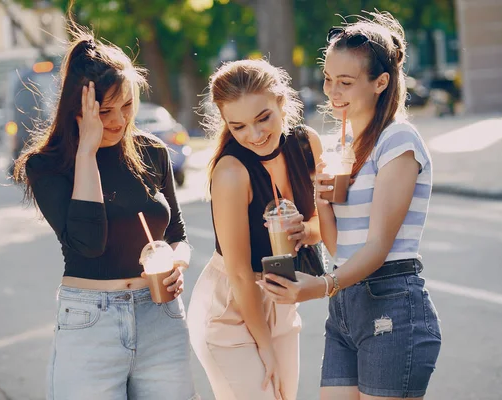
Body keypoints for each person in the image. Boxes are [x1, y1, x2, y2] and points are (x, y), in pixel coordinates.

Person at [258, 12, 442, 400]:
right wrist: (321, 199)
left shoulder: (399, 141)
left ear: (380, 83)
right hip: (346, 306)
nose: (332, 92)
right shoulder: (343, 150)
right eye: (328, 79)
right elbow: (338, 247)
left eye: (345, 82)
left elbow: (377, 246)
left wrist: (322, 286)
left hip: (391, 300)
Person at [13, 21, 197, 400]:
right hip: (89, 323)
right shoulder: (46, 166)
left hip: (161, 317)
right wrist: (87, 152)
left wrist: (176, 263)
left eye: (126, 105)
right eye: (104, 110)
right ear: (77, 109)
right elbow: (88, 242)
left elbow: (177, 235)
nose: (117, 121)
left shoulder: (153, 152)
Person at [187, 59, 324, 400]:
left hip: (280, 294)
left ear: (281, 102)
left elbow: (323, 224)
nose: (255, 134)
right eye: (239, 127)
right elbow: (238, 272)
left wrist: (303, 232)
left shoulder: (307, 144)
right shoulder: (232, 172)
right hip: (230, 306)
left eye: (263, 118)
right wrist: (264, 347)